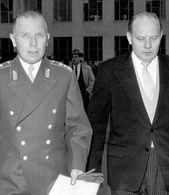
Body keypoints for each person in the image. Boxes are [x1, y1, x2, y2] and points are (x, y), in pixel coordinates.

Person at [87, 12, 169, 195]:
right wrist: (90, 171)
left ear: (161, 36)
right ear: (129, 38)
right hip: (124, 170)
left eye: (154, 38)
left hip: (165, 166)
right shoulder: (109, 71)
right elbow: (96, 125)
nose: (148, 45)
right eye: (141, 39)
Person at [0, 10, 93, 195]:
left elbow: (78, 127)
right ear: (13, 39)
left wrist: (77, 165)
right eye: (25, 36)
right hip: (11, 181)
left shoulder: (64, 76)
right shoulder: (1, 76)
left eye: (39, 36)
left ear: (47, 38)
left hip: (55, 180)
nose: (33, 43)